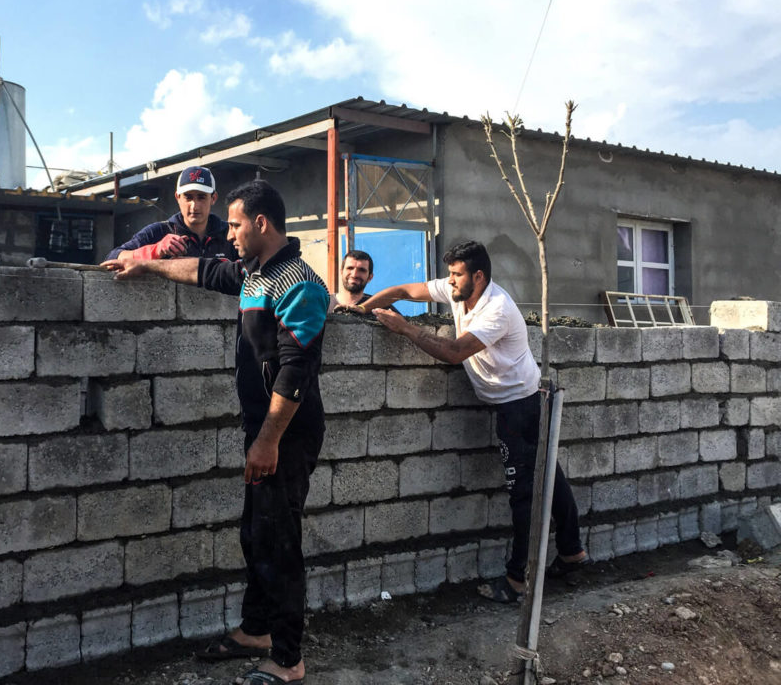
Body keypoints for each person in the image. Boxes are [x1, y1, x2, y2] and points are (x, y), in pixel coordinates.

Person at [102, 179, 327, 685]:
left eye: (238, 224)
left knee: (279, 540)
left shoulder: (301, 283)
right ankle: (256, 630)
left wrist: (267, 441)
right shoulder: (254, 273)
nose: (230, 234)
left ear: (262, 224)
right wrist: (143, 262)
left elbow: (296, 373)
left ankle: (289, 660)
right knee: (255, 533)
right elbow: (205, 271)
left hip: (286, 432)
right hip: (263, 429)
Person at [351, 240, 590, 603]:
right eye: (448, 274)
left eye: (457, 274)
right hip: (517, 401)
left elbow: (453, 352)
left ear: (478, 276)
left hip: (519, 405)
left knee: (523, 492)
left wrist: (405, 329)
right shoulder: (459, 292)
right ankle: (573, 553)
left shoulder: (497, 308)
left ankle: (517, 580)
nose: (450, 281)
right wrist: (363, 309)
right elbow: (404, 290)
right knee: (549, 475)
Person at [104, 165, 238, 261]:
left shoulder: (230, 234)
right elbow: (113, 257)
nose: (194, 206)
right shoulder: (157, 232)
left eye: (201, 197)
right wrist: (156, 250)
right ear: (178, 198)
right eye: (188, 197)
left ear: (213, 198)